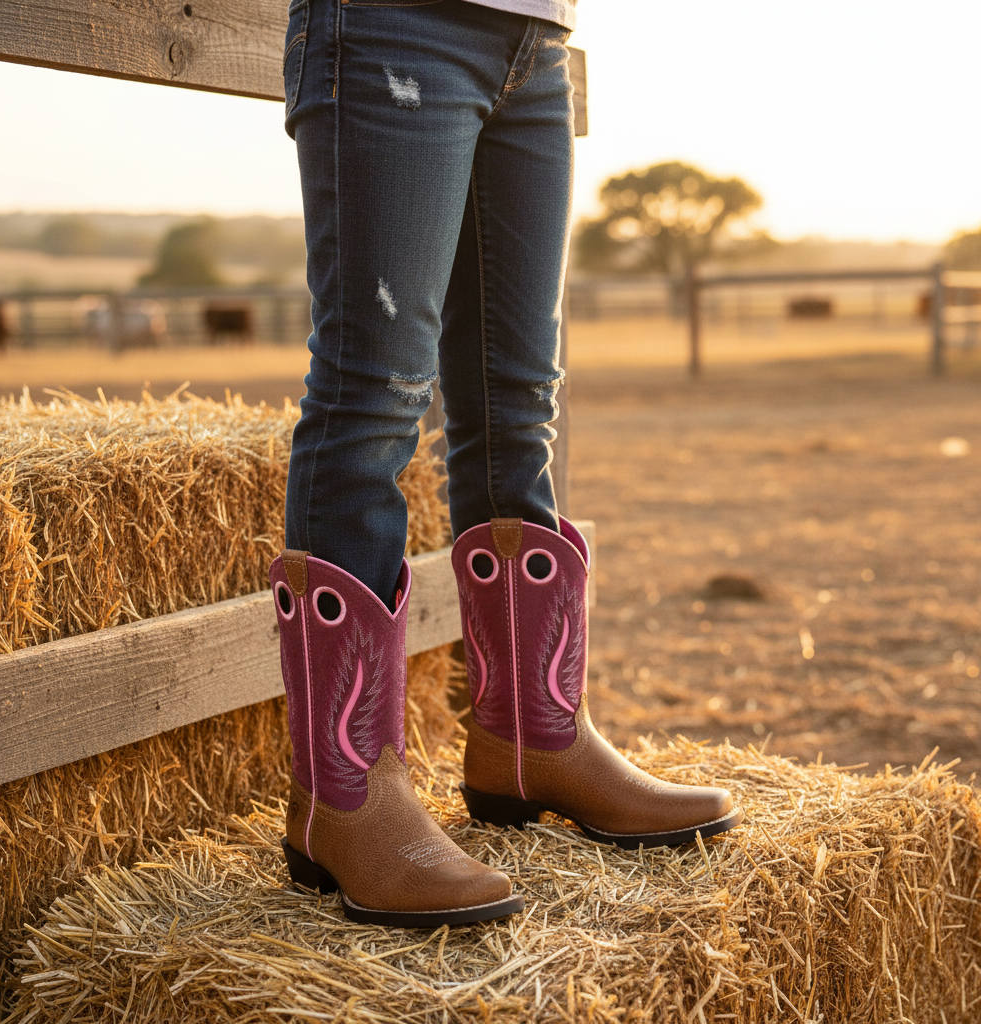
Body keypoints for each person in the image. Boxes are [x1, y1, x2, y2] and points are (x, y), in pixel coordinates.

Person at [268, 0, 743, 928]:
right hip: (393, 25)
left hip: (537, 40)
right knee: (377, 393)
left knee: (516, 399)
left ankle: (530, 736)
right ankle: (345, 795)